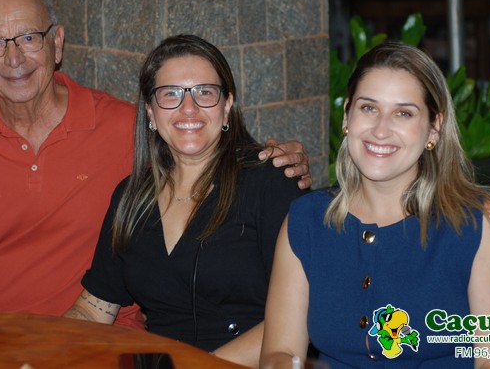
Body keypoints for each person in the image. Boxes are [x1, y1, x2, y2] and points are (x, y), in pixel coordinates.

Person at [0, 0, 312, 326]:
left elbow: (201, 147)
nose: (13, 58)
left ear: (57, 42)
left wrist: (270, 161)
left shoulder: (126, 128)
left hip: (103, 346)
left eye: (29, 37)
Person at [260, 41, 490, 368]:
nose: (381, 129)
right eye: (368, 108)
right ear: (347, 116)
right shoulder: (306, 220)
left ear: (434, 128)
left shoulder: (479, 223)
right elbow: (279, 350)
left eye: (403, 113)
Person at [64, 34, 309, 367]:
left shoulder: (270, 182)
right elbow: (94, 308)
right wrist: (42, 349)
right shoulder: (132, 198)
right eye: (171, 94)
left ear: (227, 107)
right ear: (150, 111)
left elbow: (301, 316)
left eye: (204, 92)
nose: (188, 108)